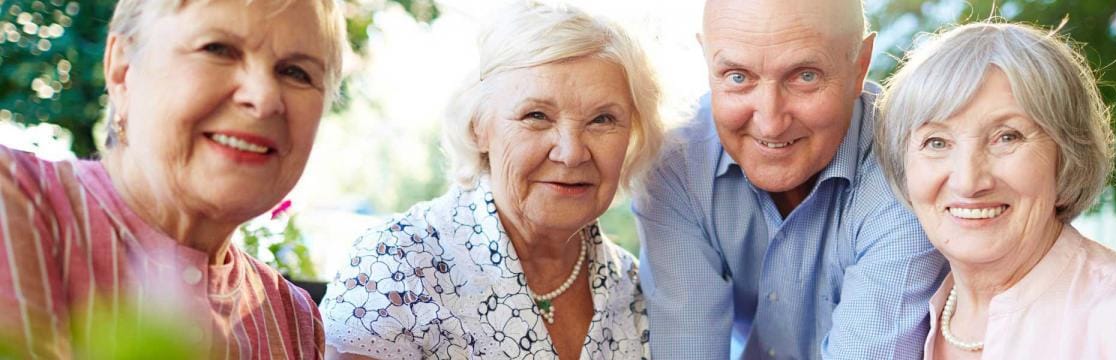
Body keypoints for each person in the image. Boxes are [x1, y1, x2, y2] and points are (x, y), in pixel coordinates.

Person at [0, 0, 347, 357]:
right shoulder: (16, 198)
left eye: (296, 73)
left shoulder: (293, 318)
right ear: (122, 70)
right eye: (219, 49)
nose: (264, 98)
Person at [318, 2, 663, 359]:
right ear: (479, 127)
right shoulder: (397, 265)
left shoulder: (638, 290)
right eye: (537, 115)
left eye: (602, 119)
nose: (571, 152)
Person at [633, 0, 947, 358]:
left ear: (860, 65)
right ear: (707, 63)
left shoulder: (911, 170)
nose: (770, 123)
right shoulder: (677, 165)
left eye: (805, 76)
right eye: (738, 76)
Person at [875, 21, 1116, 359]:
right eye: (937, 142)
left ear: (1067, 155)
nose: (968, 182)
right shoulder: (904, 319)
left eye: (1007, 137)